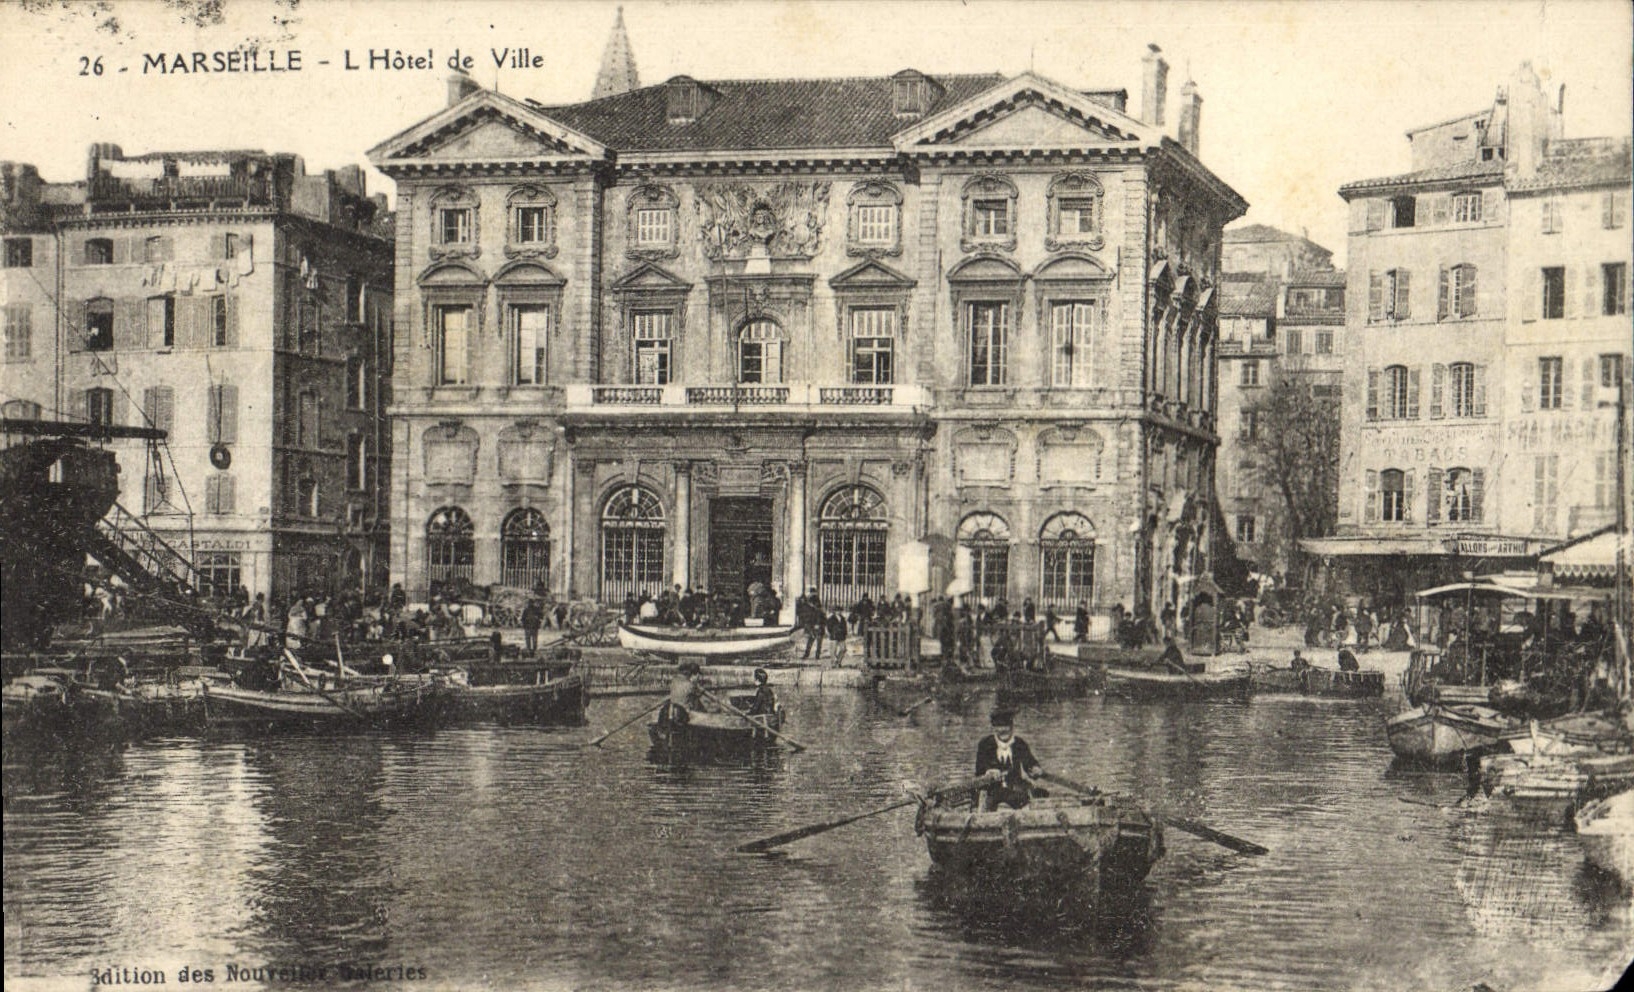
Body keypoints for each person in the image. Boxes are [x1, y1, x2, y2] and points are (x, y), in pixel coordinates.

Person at [975, 708, 1044, 811]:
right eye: (998, 726)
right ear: (993, 728)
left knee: (1041, 794)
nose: (1002, 730)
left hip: (1015, 790)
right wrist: (988, 772)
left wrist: (1035, 769)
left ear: (1012, 727)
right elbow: (979, 771)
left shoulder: (1020, 744)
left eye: (1006, 726)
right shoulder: (985, 744)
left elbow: (1030, 763)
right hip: (992, 790)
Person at [799, 588, 825, 659]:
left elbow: (819, 618)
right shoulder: (816, 609)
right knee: (816, 641)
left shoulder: (816, 610)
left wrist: (817, 624)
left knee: (813, 640)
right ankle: (816, 655)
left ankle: (810, 654)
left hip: (817, 627)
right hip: (816, 627)